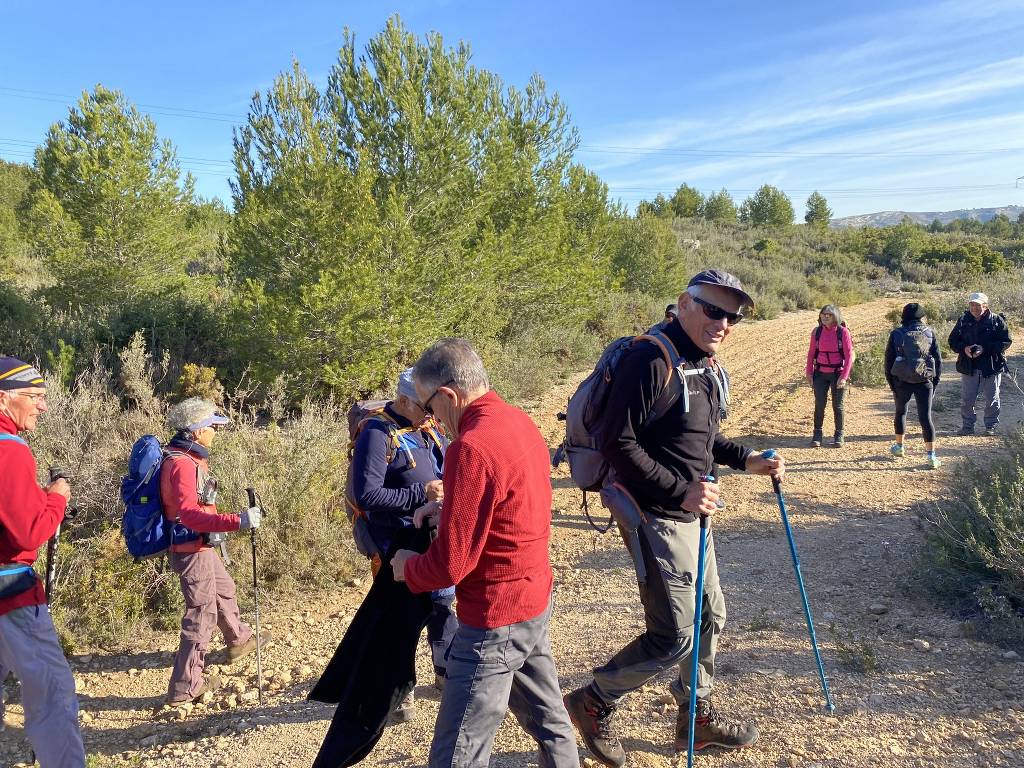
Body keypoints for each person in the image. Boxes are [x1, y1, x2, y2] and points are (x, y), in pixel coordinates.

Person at [563, 270, 784, 767]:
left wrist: (746, 458)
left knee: (710, 615)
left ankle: (695, 716)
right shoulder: (651, 358)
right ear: (685, 303)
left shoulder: (702, 362)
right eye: (714, 310)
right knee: (674, 633)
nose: (724, 322)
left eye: (733, 315)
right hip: (654, 514)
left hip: (691, 512)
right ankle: (593, 701)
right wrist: (681, 490)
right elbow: (618, 444)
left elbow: (697, 441)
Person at [391, 339, 580, 768]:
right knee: (550, 721)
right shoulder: (517, 421)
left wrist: (408, 568)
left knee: (457, 752)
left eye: (428, 407)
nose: (431, 420)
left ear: (449, 395)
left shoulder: (470, 447)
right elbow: (512, 500)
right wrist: (448, 505)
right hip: (533, 600)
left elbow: (450, 565)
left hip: (494, 617)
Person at [348, 368, 457, 722]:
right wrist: (420, 493)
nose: (432, 413)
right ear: (406, 399)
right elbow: (365, 495)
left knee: (442, 603)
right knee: (401, 617)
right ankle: (399, 690)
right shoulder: (377, 435)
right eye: (426, 406)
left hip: (430, 531)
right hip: (393, 538)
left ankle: (446, 671)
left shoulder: (425, 426)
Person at [0, 356, 86, 767]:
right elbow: (29, 533)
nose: (43, 406)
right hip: (13, 597)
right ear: (3, 399)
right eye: (34, 396)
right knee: (52, 696)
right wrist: (57, 497)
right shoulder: (11, 451)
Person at [161, 397, 269, 706]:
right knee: (201, 615)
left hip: (200, 545)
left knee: (224, 589)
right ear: (195, 432)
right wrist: (238, 520)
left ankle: (239, 639)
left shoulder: (184, 457)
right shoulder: (182, 464)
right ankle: (185, 688)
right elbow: (189, 515)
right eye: (211, 427)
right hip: (191, 548)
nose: (215, 432)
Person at [885, 303, 942, 469]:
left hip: (902, 380)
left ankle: (899, 447)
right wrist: (934, 382)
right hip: (924, 381)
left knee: (901, 412)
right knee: (925, 418)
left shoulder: (897, 333)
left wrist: (892, 383)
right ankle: (931, 456)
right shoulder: (929, 333)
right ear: (921, 316)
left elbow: (888, 362)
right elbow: (937, 361)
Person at [948, 291, 1012, 436]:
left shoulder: (996, 320)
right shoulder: (963, 319)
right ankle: (967, 426)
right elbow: (952, 341)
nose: (974, 308)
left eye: (977, 305)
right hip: (969, 367)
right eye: (972, 304)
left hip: (991, 366)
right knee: (967, 399)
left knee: (992, 398)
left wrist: (985, 349)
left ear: (985, 305)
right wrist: (964, 348)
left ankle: (991, 426)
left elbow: (1006, 341)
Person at [805, 304, 854, 447]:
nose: (825, 316)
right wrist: (809, 372)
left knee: (837, 406)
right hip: (820, 373)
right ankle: (817, 434)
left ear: (835, 317)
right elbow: (811, 353)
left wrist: (844, 377)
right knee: (819, 404)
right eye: (823, 314)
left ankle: (839, 435)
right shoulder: (817, 332)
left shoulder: (843, 332)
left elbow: (849, 355)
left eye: (829, 314)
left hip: (838, 373)